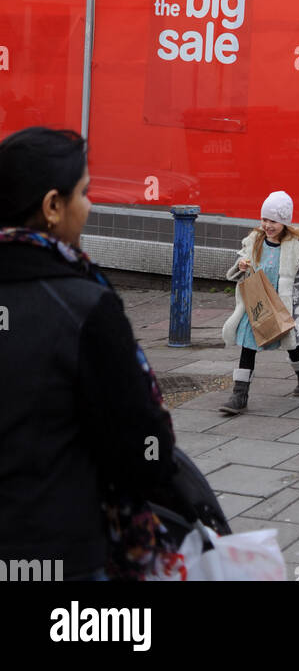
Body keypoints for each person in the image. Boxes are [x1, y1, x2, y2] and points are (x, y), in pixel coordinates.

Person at [0, 126, 176, 581]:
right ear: (52, 207)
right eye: (84, 192)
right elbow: (143, 447)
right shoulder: (83, 305)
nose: (91, 205)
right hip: (57, 552)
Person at [220, 189, 299, 414]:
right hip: (257, 303)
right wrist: (242, 265)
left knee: (290, 345)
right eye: (264, 219)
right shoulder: (255, 239)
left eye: (273, 221)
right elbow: (243, 259)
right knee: (248, 344)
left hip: (284, 305)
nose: (267, 225)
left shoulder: (297, 244)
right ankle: (239, 394)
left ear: (284, 222)